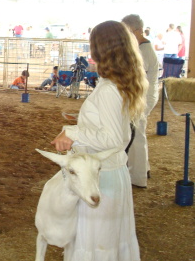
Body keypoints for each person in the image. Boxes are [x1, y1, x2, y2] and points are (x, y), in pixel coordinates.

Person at [51, 20, 147, 260]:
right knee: (108, 242)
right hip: (111, 173)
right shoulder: (116, 84)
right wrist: (83, 122)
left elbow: (113, 139)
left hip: (103, 178)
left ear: (100, 50)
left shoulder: (108, 90)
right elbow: (115, 129)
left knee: (97, 245)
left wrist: (73, 132)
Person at [122, 14, 159, 187]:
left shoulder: (144, 50)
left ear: (137, 30)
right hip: (142, 96)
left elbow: (135, 76)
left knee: (136, 135)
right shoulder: (142, 47)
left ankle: (138, 177)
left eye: (128, 31)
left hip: (142, 97)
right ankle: (143, 169)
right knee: (136, 133)